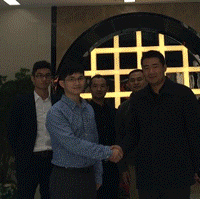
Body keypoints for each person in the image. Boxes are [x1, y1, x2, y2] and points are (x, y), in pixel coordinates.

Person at [122, 50, 200, 199]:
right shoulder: (138, 99)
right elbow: (132, 134)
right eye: (146, 68)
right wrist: (119, 151)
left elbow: (196, 133)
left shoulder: (183, 94)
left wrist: (194, 166)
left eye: (155, 66)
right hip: (148, 175)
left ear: (164, 68)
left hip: (177, 174)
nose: (151, 72)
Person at [46, 62, 123, 199]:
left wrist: (98, 175)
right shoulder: (56, 112)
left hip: (89, 175)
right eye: (71, 79)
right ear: (62, 83)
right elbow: (73, 144)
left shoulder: (88, 108)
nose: (77, 83)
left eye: (80, 78)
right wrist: (108, 152)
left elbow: (94, 140)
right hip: (66, 176)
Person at [7, 60, 54, 199]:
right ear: (33, 78)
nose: (43, 79)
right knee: (25, 195)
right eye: (39, 75)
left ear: (51, 79)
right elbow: (12, 131)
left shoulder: (57, 101)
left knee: (50, 195)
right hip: (29, 159)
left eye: (47, 75)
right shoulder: (22, 102)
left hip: (52, 159)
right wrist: (20, 154)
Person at [115, 69, 147, 199]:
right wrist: (122, 168)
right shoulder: (124, 108)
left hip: (158, 161)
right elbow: (119, 137)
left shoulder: (157, 103)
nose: (136, 83)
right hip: (133, 162)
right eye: (132, 80)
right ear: (128, 84)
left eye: (139, 79)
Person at [89, 75, 120, 199]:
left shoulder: (114, 111)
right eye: (95, 86)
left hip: (112, 163)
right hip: (92, 164)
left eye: (102, 86)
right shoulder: (85, 111)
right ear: (90, 89)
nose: (99, 89)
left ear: (107, 88)